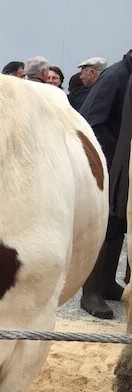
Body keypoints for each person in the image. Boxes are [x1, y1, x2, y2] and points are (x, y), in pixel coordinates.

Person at [78, 49, 132, 319]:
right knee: (106, 222)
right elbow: (92, 122)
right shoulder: (116, 76)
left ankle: (106, 282)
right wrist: (116, 155)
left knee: (119, 222)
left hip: (122, 162)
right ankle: (90, 292)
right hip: (109, 160)